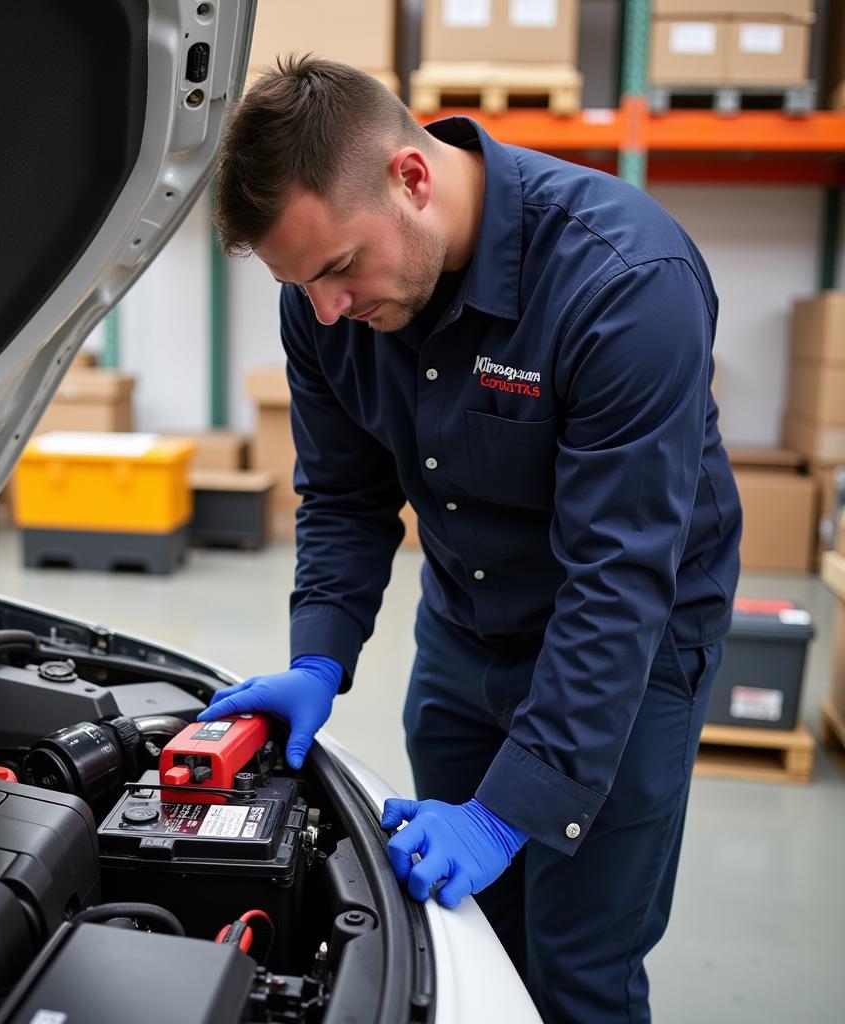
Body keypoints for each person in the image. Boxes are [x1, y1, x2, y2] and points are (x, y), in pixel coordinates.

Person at [199, 55, 741, 1023]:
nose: (327, 311)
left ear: (412, 177)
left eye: (335, 270)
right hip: (462, 634)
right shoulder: (321, 306)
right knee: (463, 944)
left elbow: (617, 583)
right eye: (299, 284)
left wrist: (506, 810)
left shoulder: (623, 284)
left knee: (578, 971)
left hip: (628, 657)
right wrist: (317, 658)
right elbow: (343, 495)